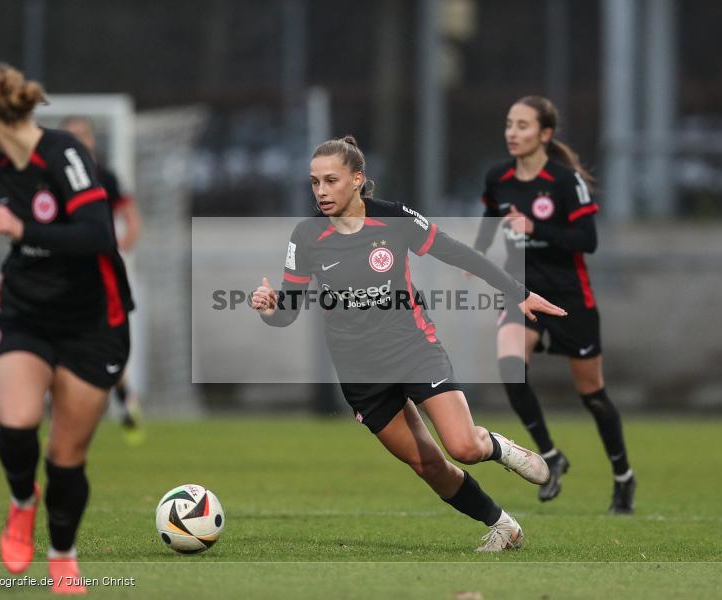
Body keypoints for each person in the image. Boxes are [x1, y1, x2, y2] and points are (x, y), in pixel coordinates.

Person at [250, 135, 567, 551]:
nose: (321, 191)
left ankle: (497, 447)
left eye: (331, 180)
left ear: (357, 179)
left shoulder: (393, 218)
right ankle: (504, 527)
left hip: (413, 350)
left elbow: (455, 252)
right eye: (314, 182)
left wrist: (516, 291)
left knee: (463, 447)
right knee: (428, 465)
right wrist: (269, 307)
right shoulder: (306, 235)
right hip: (361, 375)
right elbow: (287, 312)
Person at [0, 62, 134, 594]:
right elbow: (33, 240)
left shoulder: (64, 153)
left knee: (65, 460)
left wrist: (20, 228)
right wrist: (8, 276)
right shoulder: (0, 160)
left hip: (93, 323)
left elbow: (97, 235)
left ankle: (62, 557)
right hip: (27, 312)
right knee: (16, 425)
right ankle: (20, 501)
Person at [472, 95, 636, 513]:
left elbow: (588, 241)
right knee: (510, 368)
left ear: (545, 134)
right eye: (509, 124)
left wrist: (536, 228)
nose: (512, 132)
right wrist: (477, 255)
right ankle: (549, 455)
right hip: (521, 291)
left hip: (568, 298)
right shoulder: (498, 177)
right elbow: (490, 219)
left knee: (592, 394)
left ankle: (623, 476)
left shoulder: (564, 182)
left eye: (523, 125)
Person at [61, 116, 143, 436]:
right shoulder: (54, 177)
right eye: (71, 135)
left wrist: (120, 245)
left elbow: (131, 218)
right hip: (63, 273)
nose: (79, 141)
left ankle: (123, 395)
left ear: (93, 140)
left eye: (83, 134)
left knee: (106, 339)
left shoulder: (105, 178)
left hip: (100, 274)